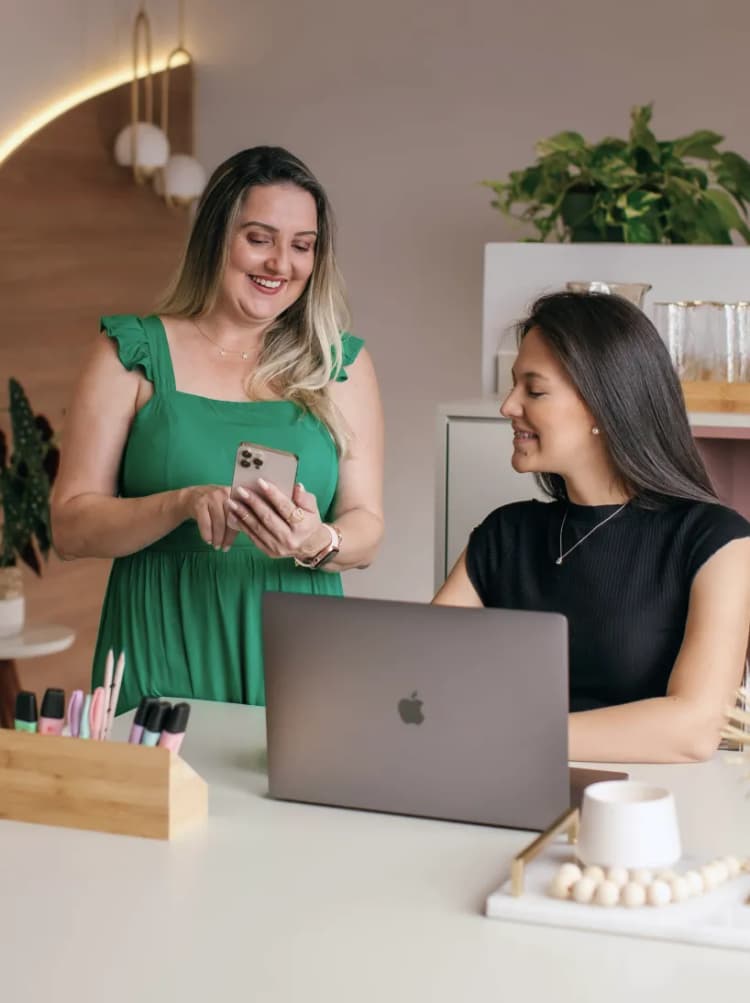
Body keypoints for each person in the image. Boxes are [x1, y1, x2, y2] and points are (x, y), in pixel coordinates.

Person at [52, 146, 384, 711]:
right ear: (215, 238)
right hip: (160, 643)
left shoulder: (339, 364)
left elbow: (367, 525)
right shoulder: (130, 354)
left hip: (300, 653)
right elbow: (70, 526)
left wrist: (316, 540)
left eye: (301, 246)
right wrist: (180, 503)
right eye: (260, 239)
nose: (281, 263)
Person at [434, 291, 750, 764]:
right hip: (500, 783)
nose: (508, 407)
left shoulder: (717, 541)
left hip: (649, 811)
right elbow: (421, 673)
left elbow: (693, 728)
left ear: (603, 406)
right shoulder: (505, 534)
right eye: (513, 386)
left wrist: (508, 735)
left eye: (533, 391)